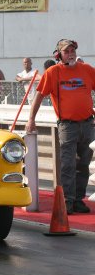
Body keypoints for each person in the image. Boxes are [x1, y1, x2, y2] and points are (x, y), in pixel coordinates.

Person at [25, 39, 95, 214]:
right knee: (68, 164)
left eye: (72, 50)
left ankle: (78, 200)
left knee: (84, 164)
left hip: (87, 124)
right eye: (67, 51)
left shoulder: (86, 69)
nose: (70, 53)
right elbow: (39, 96)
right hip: (67, 126)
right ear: (58, 55)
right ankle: (67, 201)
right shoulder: (53, 72)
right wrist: (31, 120)